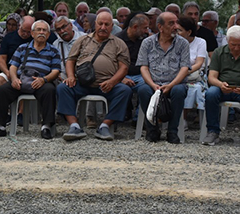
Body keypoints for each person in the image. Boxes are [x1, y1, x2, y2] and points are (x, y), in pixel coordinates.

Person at [59, 12, 131, 141]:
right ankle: (74, 126)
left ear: (111, 27)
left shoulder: (119, 43)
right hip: (83, 83)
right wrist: (70, 76)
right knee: (63, 88)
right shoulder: (83, 40)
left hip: (106, 85)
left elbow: (124, 67)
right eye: (100, 24)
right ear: (95, 24)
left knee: (124, 91)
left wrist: (112, 82)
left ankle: (104, 126)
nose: (103, 27)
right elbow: (70, 60)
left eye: (107, 24)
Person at [0, 20, 61, 140]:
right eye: (38, 30)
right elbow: (13, 66)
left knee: (49, 90)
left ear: (48, 34)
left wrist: (44, 79)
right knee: (2, 90)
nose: (41, 32)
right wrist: (14, 79)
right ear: (32, 33)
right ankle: (0, 126)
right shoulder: (22, 48)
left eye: (44, 30)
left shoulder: (53, 51)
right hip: (22, 80)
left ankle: (46, 127)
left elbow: (55, 71)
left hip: (41, 82)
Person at [202, 26, 240, 147]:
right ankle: (213, 131)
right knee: (210, 94)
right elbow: (212, 77)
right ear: (227, 40)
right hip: (222, 87)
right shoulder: (219, 52)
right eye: (233, 44)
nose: (236, 48)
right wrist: (220, 84)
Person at [135, 12, 190, 143]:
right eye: (171, 23)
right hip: (153, 83)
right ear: (160, 27)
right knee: (143, 90)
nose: (176, 26)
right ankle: (152, 130)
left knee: (179, 91)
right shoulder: (147, 43)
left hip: (175, 83)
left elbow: (185, 68)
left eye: (177, 22)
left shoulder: (183, 43)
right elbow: (143, 67)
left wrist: (171, 85)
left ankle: (172, 131)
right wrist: (153, 84)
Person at [177, 16, 207, 120]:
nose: (176, 33)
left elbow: (199, 63)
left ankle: (183, 118)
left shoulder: (200, 42)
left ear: (189, 32)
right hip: (175, 74)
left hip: (193, 74)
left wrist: (185, 72)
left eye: (179, 30)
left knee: (194, 88)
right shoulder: (174, 42)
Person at [0, 16, 34, 92]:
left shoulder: (34, 39)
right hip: (10, 69)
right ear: (19, 26)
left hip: (28, 72)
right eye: (23, 31)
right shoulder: (9, 37)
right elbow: (2, 59)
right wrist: (7, 72)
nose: (25, 34)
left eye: (29, 32)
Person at [52, 15, 83, 80]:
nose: (62, 31)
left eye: (64, 27)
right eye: (58, 29)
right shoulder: (55, 44)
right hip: (64, 78)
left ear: (71, 25)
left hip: (84, 75)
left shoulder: (84, 38)